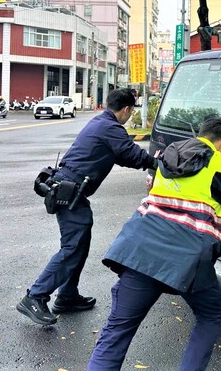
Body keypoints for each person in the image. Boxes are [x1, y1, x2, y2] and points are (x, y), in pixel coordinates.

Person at [87, 117, 221, 370]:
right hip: (187, 259)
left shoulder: (170, 155)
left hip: (140, 251)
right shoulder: (220, 166)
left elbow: (199, 185)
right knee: (210, 315)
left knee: (116, 332)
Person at [17, 88, 159, 326]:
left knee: (79, 245)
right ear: (126, 109)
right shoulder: (110, 128)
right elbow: (132, 154)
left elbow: (123, 156)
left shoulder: (101, 123)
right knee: (73, 247)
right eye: (131, 111)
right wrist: (158, 162)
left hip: (70, 190)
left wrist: (149, 161)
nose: (129, 115)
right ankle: (35, 296)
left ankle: (68, 296)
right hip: (69, 192)